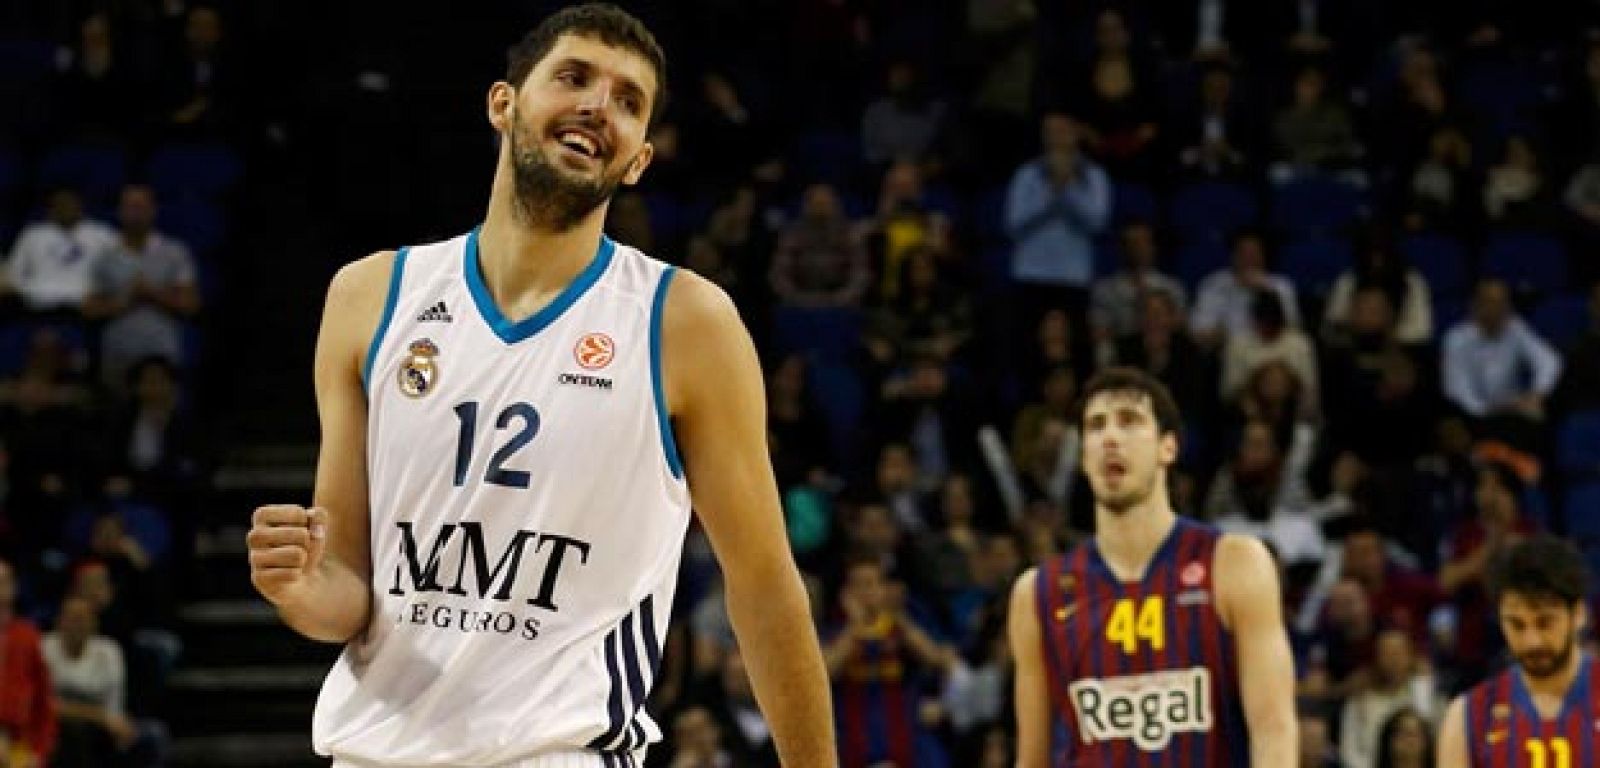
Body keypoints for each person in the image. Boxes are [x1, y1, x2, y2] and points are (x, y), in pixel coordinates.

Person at [243, 5, 834, 766]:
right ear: (504, 103)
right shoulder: (371, 297)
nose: (598, 105)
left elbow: (763, 585)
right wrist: (299, 586)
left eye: (628, 101)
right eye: (574, 77)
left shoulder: (684, 323)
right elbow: (349, 590)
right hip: (373, 750)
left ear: (638, 161)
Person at [1008, 367, 1296, 765]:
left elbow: (1274, 729)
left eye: (1129, 421)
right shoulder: (1037, 593)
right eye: (1095, 427)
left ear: (1168, 448)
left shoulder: (1234, 564)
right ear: (1082, 458)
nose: (1109, 438)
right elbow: (1032, 760)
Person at [1437, 536, 1599, 767]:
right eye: (1516, 624)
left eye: (1545, 622)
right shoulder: (1467, 715)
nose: (1531, 641)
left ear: (1579, 614)